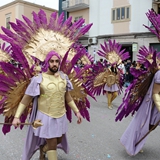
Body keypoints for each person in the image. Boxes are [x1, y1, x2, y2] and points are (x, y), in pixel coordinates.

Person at [12, 51, 82, 160]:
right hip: (45, 116)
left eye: (57, 61)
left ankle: (43, 150)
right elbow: (26, 99)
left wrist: (77, 111)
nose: (54, 64)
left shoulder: (63, 78)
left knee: (58, 139)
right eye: (52, 61)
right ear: (47, 63)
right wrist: (16, 117)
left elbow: (67, 96)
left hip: (61, 115)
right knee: (53, 143)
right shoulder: (38, 79)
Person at [120, 69, 160, 155]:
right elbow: (156, 93)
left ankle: (133, 141)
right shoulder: (159, 74)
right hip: (154, 106)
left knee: (151, 127)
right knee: (146, 126)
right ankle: (132, 142)